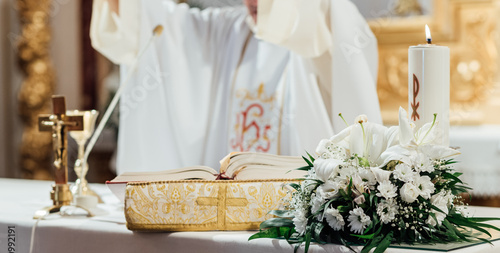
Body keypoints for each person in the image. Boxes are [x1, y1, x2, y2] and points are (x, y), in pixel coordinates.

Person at [91, 0, 382, 173]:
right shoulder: (230, 33)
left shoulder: (327, 25)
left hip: (304, 230)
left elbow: (304, 18)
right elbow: (158, 30)